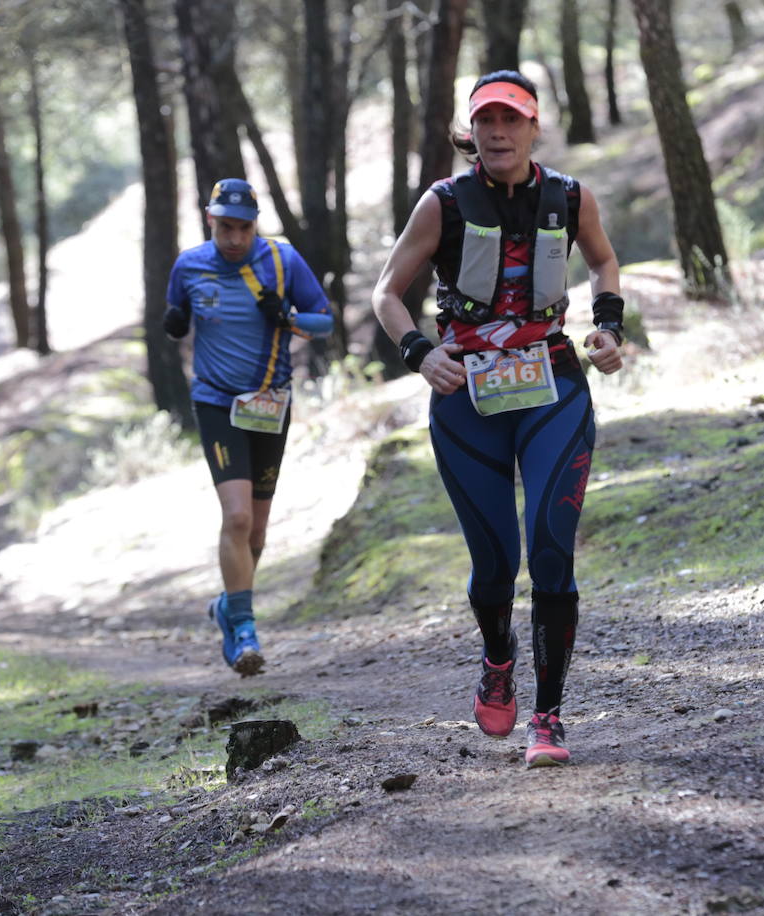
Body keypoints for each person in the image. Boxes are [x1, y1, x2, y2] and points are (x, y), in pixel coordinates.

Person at [371, 71, 626, 768]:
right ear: (471, 131)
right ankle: (497, 655)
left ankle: (548, 718)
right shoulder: (444, 203)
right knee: (495, 563)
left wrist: (608, 328)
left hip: (553, 388)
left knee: (550, 547)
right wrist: (421, 355)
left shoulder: (569, 197)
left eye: (511, 120)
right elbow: (387, 293)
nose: (498, 132)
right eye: (486, 120)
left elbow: (603, 261)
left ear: (533, 127)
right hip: (467, 400)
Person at [164, 178, 333, 678]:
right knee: (236, 518)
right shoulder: (189, 265)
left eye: (243, 227)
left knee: (256, 530)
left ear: (255, 224)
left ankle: (228, 607)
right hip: (216, 402)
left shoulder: (282, 262)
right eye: (224, 227)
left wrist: (289, 316)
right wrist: (174, 321)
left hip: (269, 403)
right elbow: (176, 313)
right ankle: (244, 630)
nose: (234, 238)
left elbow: (324, 321)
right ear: (210, 221)